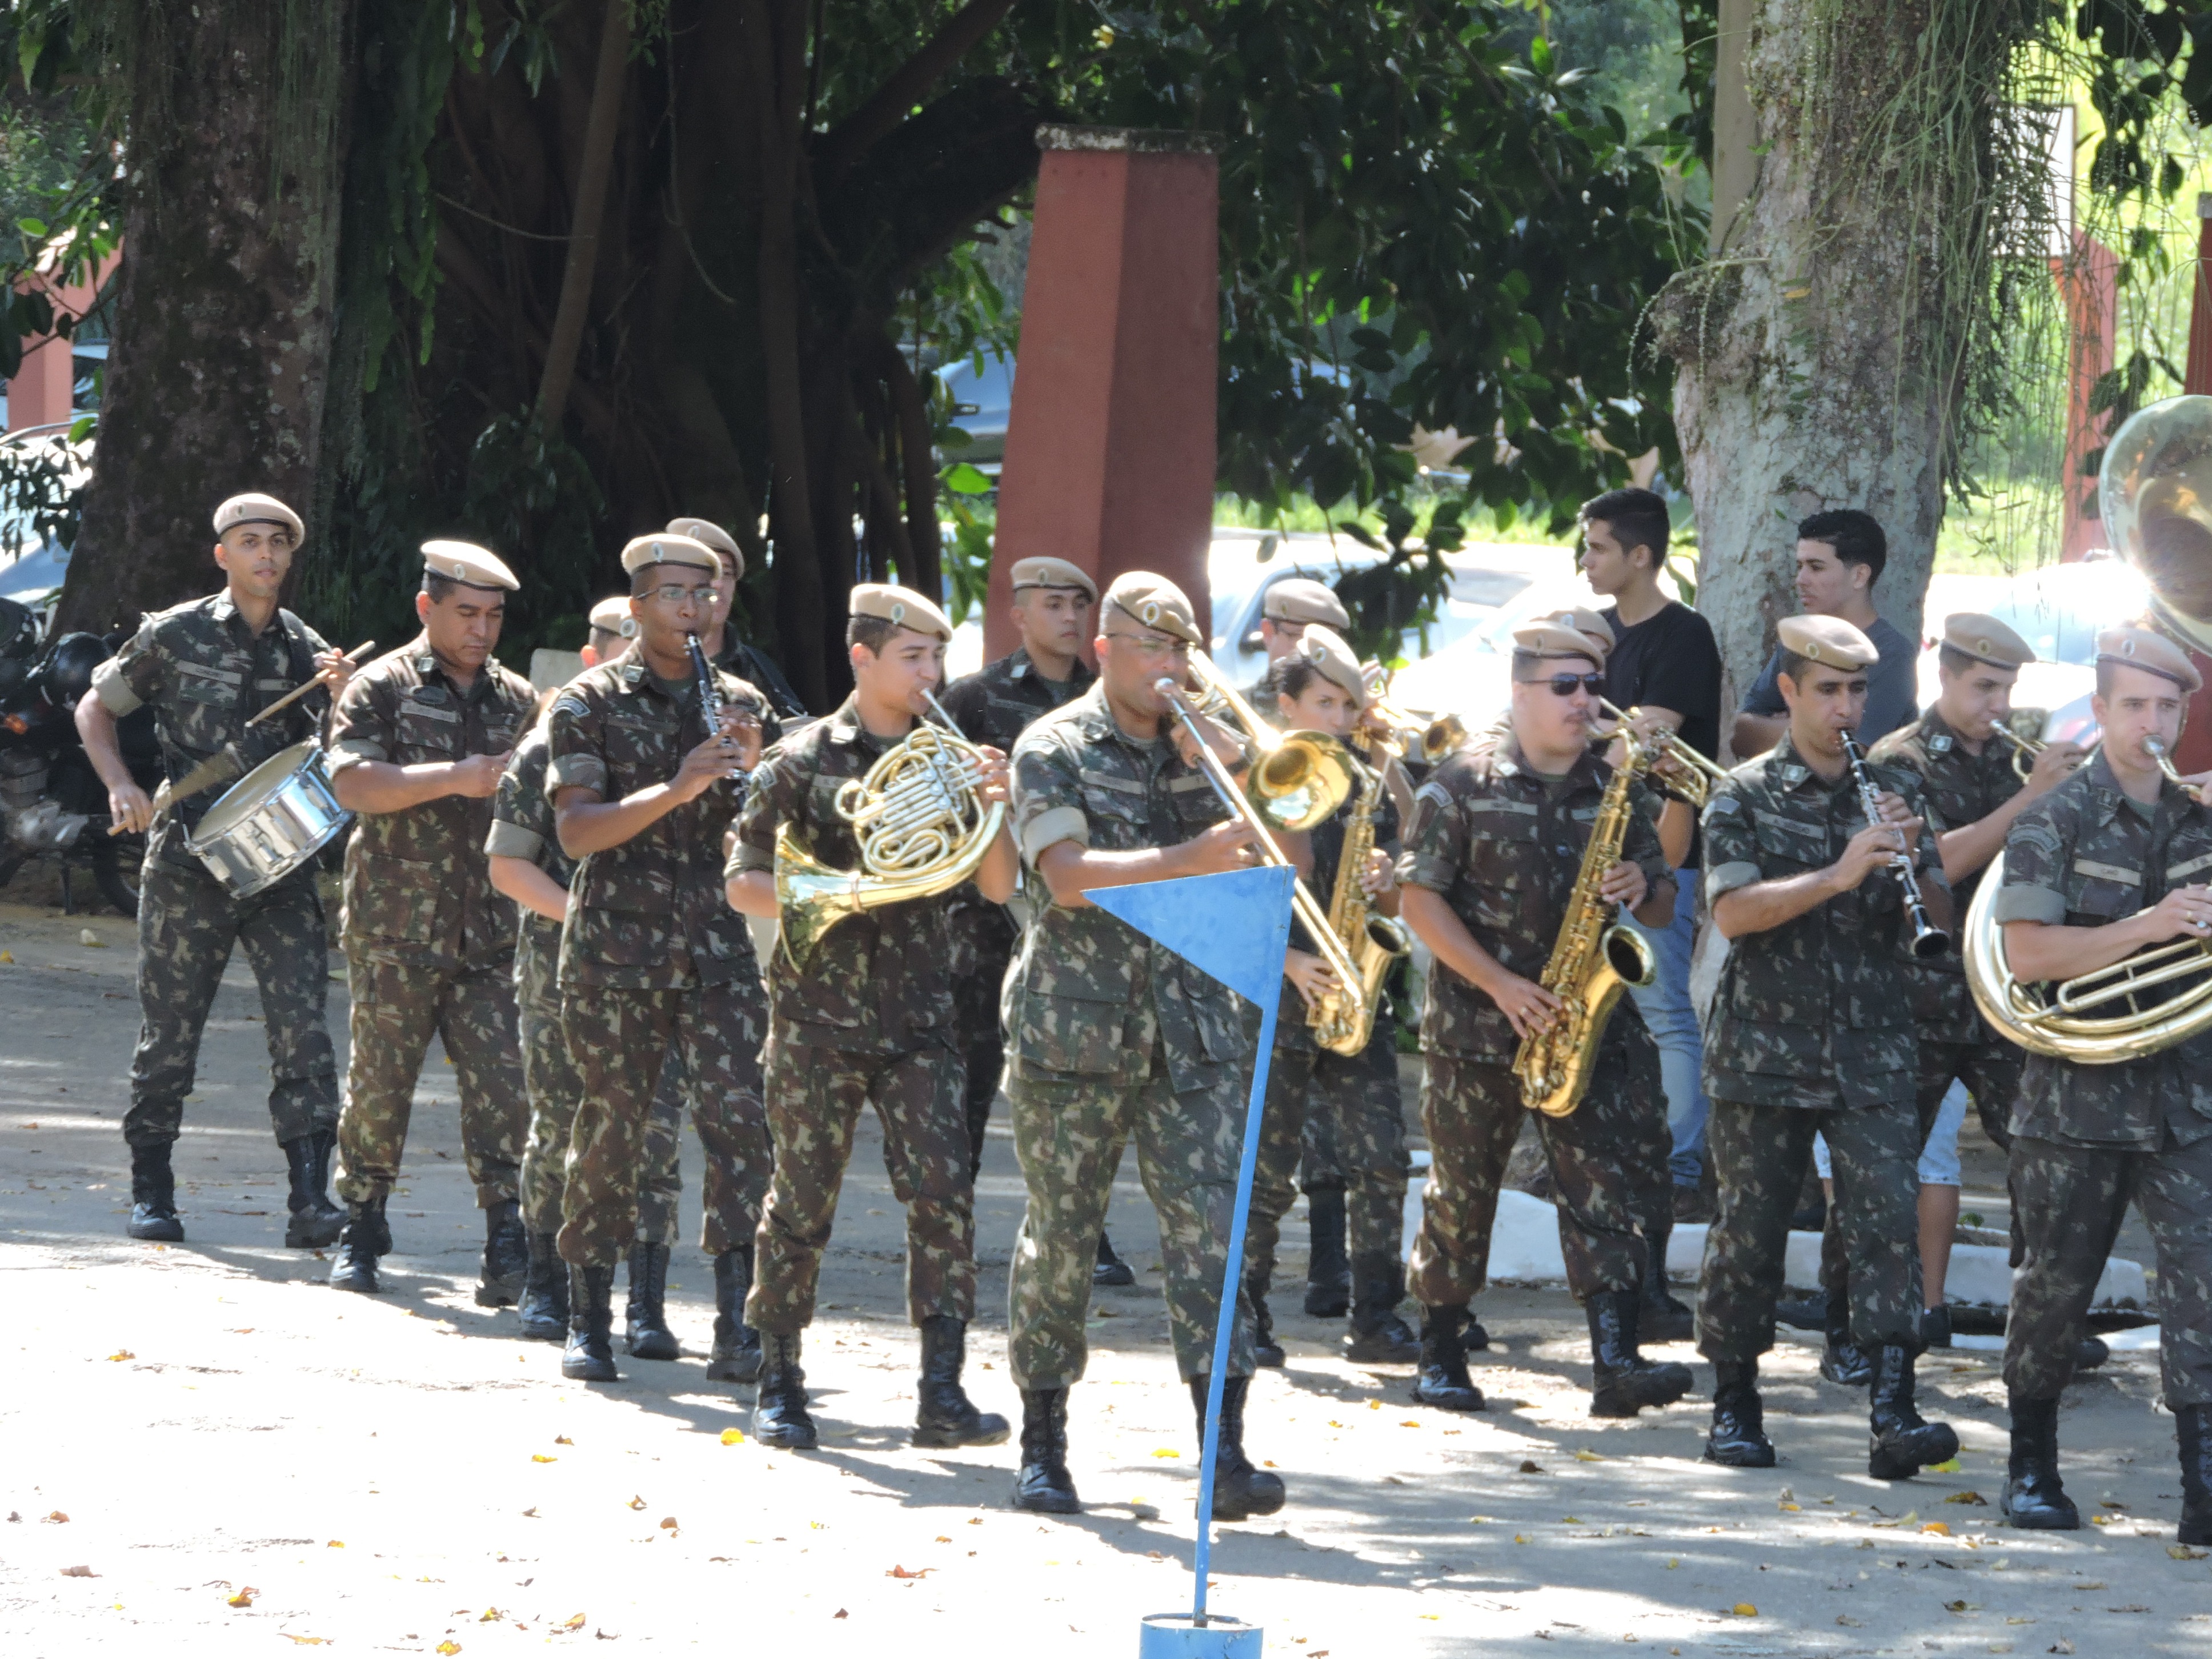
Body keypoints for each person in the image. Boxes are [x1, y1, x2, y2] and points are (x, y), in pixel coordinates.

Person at [1001, 571, 1281, 1519]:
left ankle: (1223, 1454)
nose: (1171, 667)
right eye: (1153, 647)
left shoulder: (1209, 745)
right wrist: (1186, 859)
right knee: (1062, 1238)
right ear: (1105, 650)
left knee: (1214, 1237)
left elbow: (1282, 864)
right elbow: (1066, 877)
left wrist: (1246, 776)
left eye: (1183, 649)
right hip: (1075, 1028)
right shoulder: (1054, 745)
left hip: (1193, 1030)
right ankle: (1043, 1445)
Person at [726, 583, 1015, 1452]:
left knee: (943, 1195)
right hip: (816, 1019)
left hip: (923, 1017)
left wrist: (996, 807)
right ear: (863, 658)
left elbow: (998, 884)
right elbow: (743, 883)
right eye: (913, 657)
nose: (932, 674)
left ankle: (942, 1392)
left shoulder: (949, 760)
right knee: (800, 1202)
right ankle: (780, 1382)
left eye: (938, 658)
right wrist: (847, 892)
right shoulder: (799, 760)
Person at [1396, 619, 1690, 1420]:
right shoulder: (1459, 784)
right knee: (1462, 1194)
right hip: (1477, 1029)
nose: (1584, 700)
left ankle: (1615, 1361)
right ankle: (1441, 1352)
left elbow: (1662, 906)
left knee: (1606, 1192)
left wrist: (1642, 885)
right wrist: (1499, 986)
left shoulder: (1616, 789)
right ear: (1520, 692)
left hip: (1586, 1030)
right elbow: (1418, 901)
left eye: (1593, 685)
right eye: (1565, 685)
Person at [1697, 614, 1959, 1478]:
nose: (1846, 709)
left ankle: (1893, 1409)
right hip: (1763, 1052)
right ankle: (1735, 1404)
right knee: (1750, 1232)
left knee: (1885, 1223)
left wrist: (1915, 861)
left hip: (1872, 1049)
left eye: (1856, 692)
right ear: (1789, 691)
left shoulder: (1894, 787)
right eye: (1828, 691)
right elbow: (1733, 914)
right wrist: (1840, 872)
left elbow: (1939, 919)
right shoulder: (1741, 794)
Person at [77, 492, 355, 1247]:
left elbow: (335, 755)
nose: (266, 554)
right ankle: (153, 1191)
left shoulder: (305, 648)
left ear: (290, 557)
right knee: (170, 1034)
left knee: (303, 1031)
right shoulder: (175, 634)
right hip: (187, 863)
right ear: (222, 555)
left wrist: (341, 700)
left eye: (278, 543)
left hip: (280, 865)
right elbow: (94, 710)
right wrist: (121, 785)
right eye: (250, 541)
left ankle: (310, 1200)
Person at [1991, 627, 2212, 1543]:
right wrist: (2152, 926)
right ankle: (2031, 1466)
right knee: (2055, 1287)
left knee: (2205, 1286)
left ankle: (2204, 1488)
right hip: (2077, 1098)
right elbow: (2028, 955)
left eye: (2168, 707)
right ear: (2101, 708)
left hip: (2190, 1097)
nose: (2151, 724)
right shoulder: (2056, 818)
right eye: (2134, 706)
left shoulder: (2204, 816)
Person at [546, 533, 776, 1384]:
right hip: (618, 953)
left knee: (740, 1128)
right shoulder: (588, 701)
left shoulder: (742, 701)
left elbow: (770, 832)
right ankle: (588, 1319)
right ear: (638, 606)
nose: (693, 609)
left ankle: (737, 1325)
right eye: (675, 594)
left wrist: (758, 775)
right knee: (612, 1132)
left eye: (705, 593)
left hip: (719, 953)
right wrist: (679, 786)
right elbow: (577, 831)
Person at [324, 543, 538, 1302]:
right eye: (466, 613)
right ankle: (362, 1223)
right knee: (380, 1087)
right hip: (396, 928)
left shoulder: (519, 701)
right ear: (427, 607)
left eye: (494, 617)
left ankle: (507, 1236)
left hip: (491, 935)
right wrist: (455, 777)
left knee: (505, 1089)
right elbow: (352, 784)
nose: (481, 631)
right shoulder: (381, 687)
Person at [486, 611, 686, 1349]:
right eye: (624, 654)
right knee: (563, 1123)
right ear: (594, 659)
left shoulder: (682, 749)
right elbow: (509, 868)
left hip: (660, 970)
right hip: (562, 968)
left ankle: (647, 1305)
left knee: (657, 1130)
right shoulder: (545, 749)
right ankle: (546, 1284)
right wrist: (594, 919)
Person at [1241, 626, 1417, 1367]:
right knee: (1265, 1171)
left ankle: (1376, 1317)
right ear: (1286, 705)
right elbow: (1219, 900)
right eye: (1325, 704)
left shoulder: (1361, 778)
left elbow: (1401, 879)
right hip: (1274, 994)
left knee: (1383, 1157)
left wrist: (1388, 878)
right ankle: (1246, 1316)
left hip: (1353, 990)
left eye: (1349, 706)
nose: (1341, 720)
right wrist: (1286, 961)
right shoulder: (1257, 776)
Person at [936, 556, 1100, 1261]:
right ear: (1019, 615)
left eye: (1078, 605)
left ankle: (1080, 1235)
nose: (1069, 617)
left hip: (1071, 920)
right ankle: (951, 1221)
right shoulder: (975, 698)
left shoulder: (1101, 701)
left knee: (1074, 1082)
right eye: (1053, 604)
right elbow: (938, 804)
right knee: (970, 1076)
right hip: (982, 921)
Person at [1579, 487, 1722, 1248]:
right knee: (1596, 1011)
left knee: (1665, 1012)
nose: (1586, 561)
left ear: (1640, 556)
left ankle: (1681, 1169)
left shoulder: (1683, 635)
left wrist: (1569, 745)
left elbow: (1640, 743)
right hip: (1590, 850)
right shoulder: (1597, 633)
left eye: (1598, 547)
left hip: (1660, 851)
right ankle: (1607, 1158)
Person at [1241, 574, 1361, 1320]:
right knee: (1264, 1153)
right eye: (1296, 635)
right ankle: (1244, 1308)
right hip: (1267, 969)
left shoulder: (1351, 737)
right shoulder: (1248, 731)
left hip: (1338, 959)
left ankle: (1332, 1276)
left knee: (1341, 1144)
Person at [1732, 511, 1917, 758]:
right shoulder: (1799, 640)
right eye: (1800, 567)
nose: (1801, 580)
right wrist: (1822, 729)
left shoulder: (1892, 653)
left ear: (1859, 576)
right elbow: (1742, 734)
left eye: (1816, 568)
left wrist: (1792, 721)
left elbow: (1850, 750)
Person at [666, 518, 808, 722]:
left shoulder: (759, 669)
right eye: (705, 572)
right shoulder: (639, 662)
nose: (717, 584)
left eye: (726, 574)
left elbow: (795, 732)